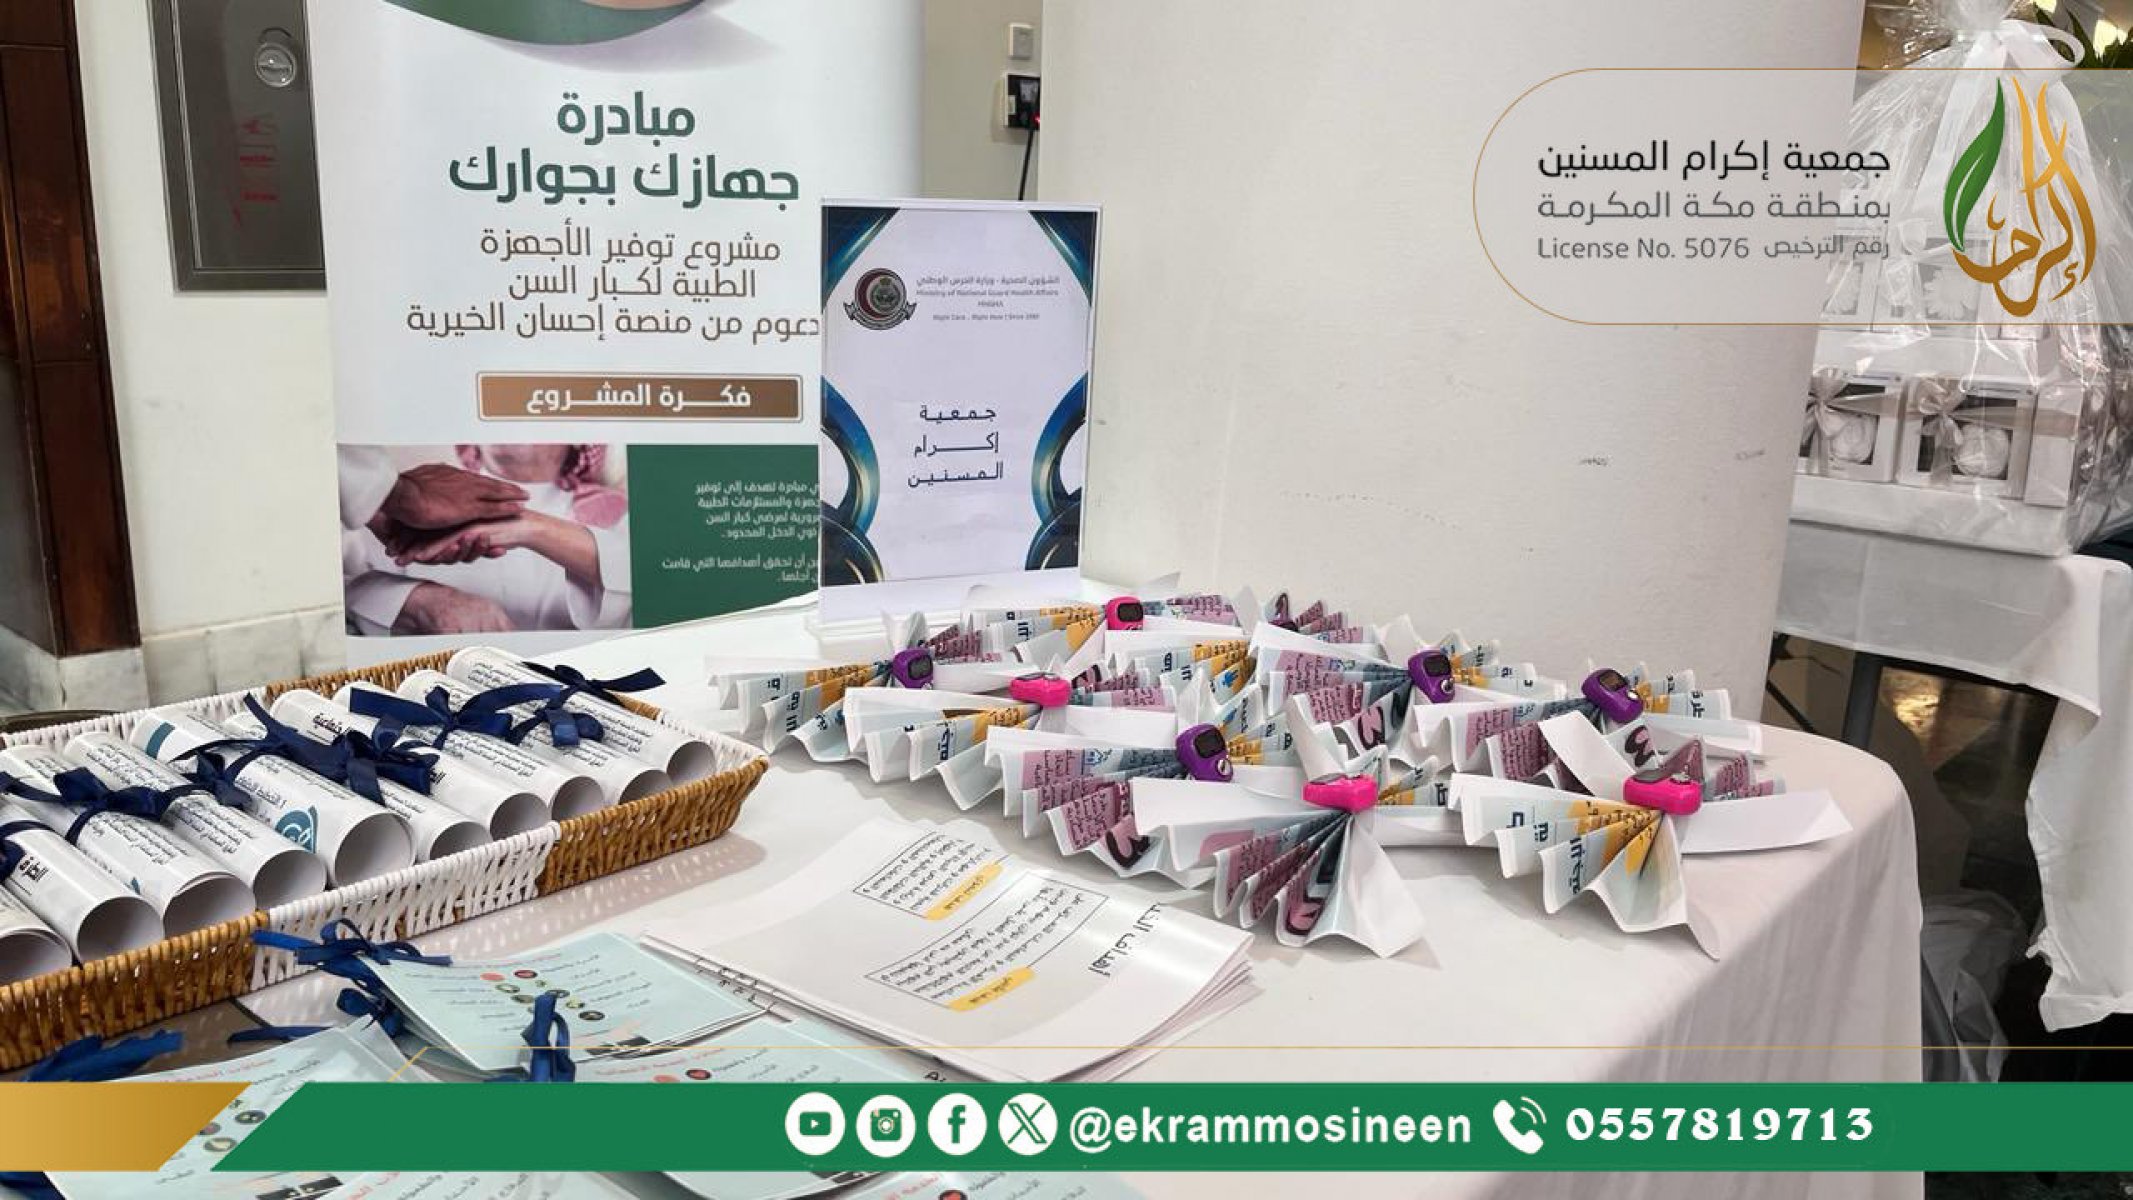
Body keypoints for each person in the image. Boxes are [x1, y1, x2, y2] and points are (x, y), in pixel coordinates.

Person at [341, 445, 630, 635]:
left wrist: (531, 528)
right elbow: (334, 586)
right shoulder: (400, 505)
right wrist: (412, 599)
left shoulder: (625, 514)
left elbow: (647, 592)